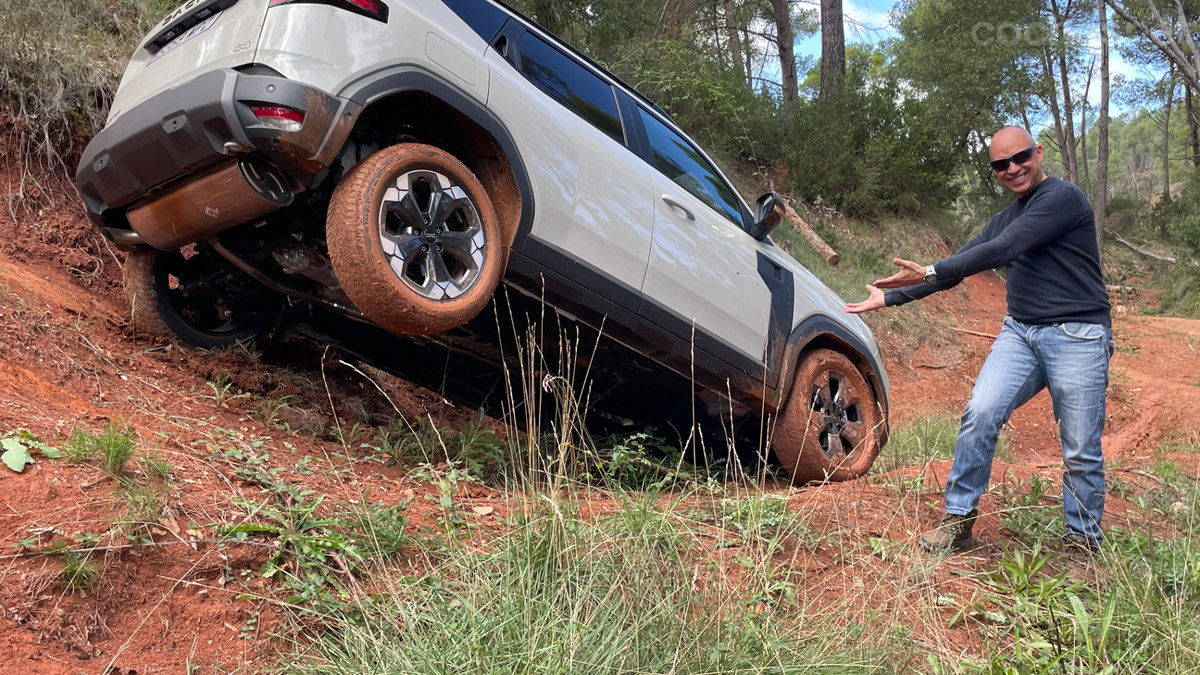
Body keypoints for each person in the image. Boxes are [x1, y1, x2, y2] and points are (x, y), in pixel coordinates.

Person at [844, 126, 1113, 553]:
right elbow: (960, 266)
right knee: (980, 412)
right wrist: (892, 297)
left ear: (1038, 152)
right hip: (1021, 335)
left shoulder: (1063, 199)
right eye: (1000, 164)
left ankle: (1082, 542)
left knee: (1079, 446)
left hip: (1077, 334)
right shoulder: (1003, 219)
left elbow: (1005, 249)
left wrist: (931, 269)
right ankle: (959, 521)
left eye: (1020, 157)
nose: (1013, 168)